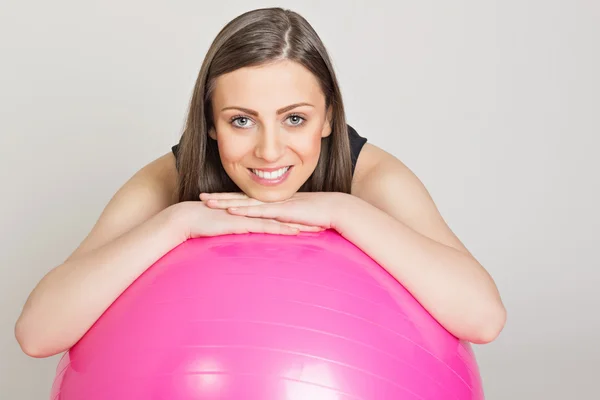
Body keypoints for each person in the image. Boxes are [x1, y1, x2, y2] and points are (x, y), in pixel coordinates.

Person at [15, 7, 506, 359]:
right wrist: (179, 222)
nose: (269, 151)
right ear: (209, 123)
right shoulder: (168, 180)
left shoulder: (373, 177)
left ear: (329, 117)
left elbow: (483, 319)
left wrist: (344, 211)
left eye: (294, 119)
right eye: (241, 121)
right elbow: (37, 335)